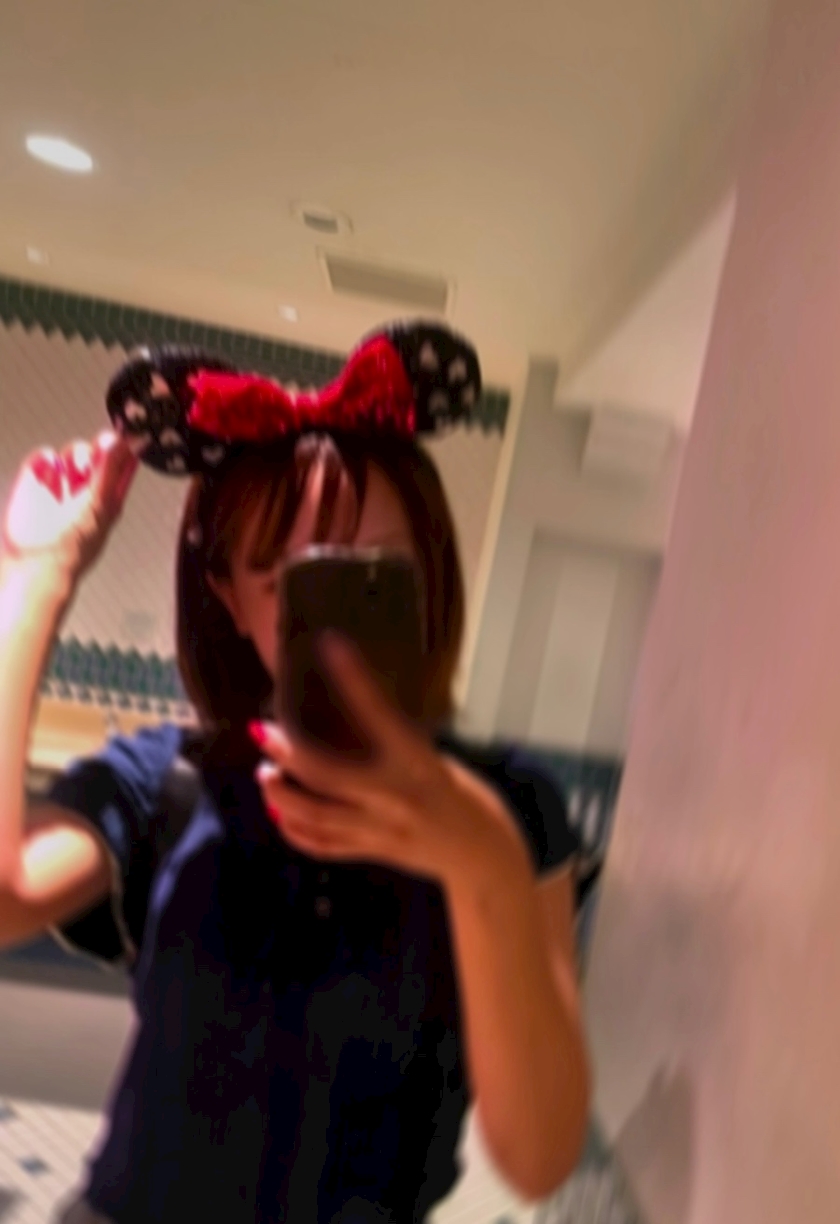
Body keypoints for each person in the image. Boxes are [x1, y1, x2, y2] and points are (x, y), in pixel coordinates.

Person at [0, 322, 590, 1224]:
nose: (334, 629)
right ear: (230, 600)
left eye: (374, 577)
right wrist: (39, 579)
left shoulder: (510, 807)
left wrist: (485, 865)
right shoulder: (169, 780)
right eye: (287, 582)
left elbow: (540, 1156)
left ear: (430, 577)